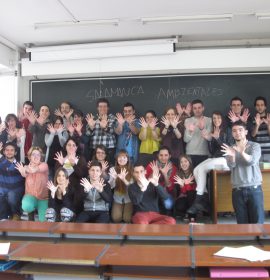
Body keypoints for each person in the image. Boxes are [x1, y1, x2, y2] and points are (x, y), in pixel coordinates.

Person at [221, 120, 264, 224]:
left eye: (240, 130)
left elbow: (252, 161)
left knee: (258, 223)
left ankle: (259, 240)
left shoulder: (255, 146)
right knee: (242, 224)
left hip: (254, 189)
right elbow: (231, 166)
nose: (237, 133)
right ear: (232, 133)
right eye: (234, 131)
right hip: (237, 190)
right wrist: (232, 155)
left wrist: (241, 152)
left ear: (246, 132)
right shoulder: (230, 149)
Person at [187, 111, 229, 215]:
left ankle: (198, 200)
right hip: (215, 158)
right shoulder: (212, 130)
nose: (216, 120)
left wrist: (217, 138)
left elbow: (227, 150)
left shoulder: (227, 130)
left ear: (222, 119)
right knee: (196, 169)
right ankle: (204, 201)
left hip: (225, 160)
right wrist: (209, 140)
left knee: (201, 169)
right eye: (214, 118)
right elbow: (212, 151)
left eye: (218, 118)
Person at [54, 136, 88, 214]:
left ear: (76, 147)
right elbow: (57, 175)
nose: (71, 147)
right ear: (65, 146)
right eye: (69, 145)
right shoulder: (61, 158)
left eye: (74, 145)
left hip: (77, 189)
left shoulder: (81, 158)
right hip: (63, 187)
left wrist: (73, 165)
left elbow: (82, 175)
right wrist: (62, 164)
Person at [15, 146, 49, 222]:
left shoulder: (44, 165)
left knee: (43, 222)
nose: (36, 156)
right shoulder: (26, 167)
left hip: (43, 199)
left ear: (41, 157)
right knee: (27, 206)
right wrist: (22, 171)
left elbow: (35, 170)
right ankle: (31, 214)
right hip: (31, 197)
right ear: (30, 157)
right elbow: (24, 174)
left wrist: (27, 170)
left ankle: (36, 212)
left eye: (38, 155)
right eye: (33, 154)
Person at [85, 98, 117, 164]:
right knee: (95, 169)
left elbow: (113, 131)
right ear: (97, 108)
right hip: (95, 149)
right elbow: (87, 134)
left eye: (105, 106)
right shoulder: (92, 118)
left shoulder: (112, 118)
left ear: (108, 108)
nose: (103, 108)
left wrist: (105, 127)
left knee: (109, 169)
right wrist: (91, 127)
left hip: (108, 149)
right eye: (100, 106)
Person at [145, 146, 177, 211]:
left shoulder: (173, 168)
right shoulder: (152, 165)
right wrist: (153, 173)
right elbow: (145, 183)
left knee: (168, 205)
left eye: (166, 155)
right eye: (161, 155)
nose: (163, 158)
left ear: (169, 156)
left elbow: (170, 187)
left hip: (166, 193)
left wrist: (165, 174)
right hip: (153, 192)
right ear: (158, 156)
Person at [0, 142, 25, 221]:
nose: (9, 152)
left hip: (15, 193)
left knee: (11, 195)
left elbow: (10, 167)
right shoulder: (1, 163)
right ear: (4, 152)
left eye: (11, 150)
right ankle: (4, 218)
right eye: (7, 150)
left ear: (15, 152)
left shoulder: (20, 164)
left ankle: (16, 214)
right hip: (3, 192)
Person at [184, 99, 212, 167]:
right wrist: (190, 131)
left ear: (203, 108)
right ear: (192, 110)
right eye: (195, 108)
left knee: (203, 177)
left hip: (204, 153)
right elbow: (185, 140)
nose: (197, 110)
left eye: (199, 108)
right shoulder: (188, 120)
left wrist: (202, 129)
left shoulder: (209, 120)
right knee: (191, 176)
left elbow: (210, 138)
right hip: (190, 153)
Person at [108, 150, 133, 223]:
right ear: (116, 159)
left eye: (124, 157)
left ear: (127, 159)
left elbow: (132, 187)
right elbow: (111, 187)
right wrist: (114, 179)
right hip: (117, 198)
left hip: (128, 198)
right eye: (120, 157)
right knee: (116, 218)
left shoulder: (132, 170)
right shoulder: (112, 169)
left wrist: (123, 179)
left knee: (127, 219)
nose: (122, 159)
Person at [173, 155, 196, 222]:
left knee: (191, 194)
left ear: (189, 162)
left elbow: (193, 190)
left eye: (185, 161)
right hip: (184, 196)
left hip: (193, 197)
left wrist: (186, 184)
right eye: (181, 162)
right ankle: (186, 213)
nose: (183, 164)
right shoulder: (178, 173)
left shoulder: (194, 172)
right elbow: (182, 192)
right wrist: (182, 186)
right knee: (179, 206)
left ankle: (192, 215)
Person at [251, 96, 270, 162]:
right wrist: (257, 125)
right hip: (257, 151)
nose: (260, 107)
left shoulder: (269, 118)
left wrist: (268, 125)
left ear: (265, 107)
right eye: (258, 105)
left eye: (262, 105)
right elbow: (253, 135)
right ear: (255, 107)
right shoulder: (252, 119)